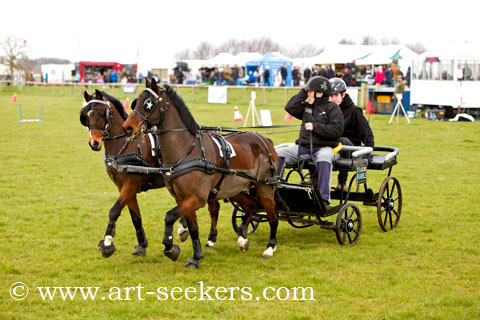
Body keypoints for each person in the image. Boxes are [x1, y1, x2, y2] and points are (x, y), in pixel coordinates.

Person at [276, 76, 344, 207]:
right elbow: (290, 107)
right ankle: (276, 193)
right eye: (307, 91)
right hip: (304, 147)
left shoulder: (333, 108)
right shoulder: (307, 107)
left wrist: (315, 127)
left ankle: (323, 199)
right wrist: (304, 91)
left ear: (319, 93)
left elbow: (337, 130)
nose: (308, 94)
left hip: (326, 147)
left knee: (324, 157)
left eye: (310, 91)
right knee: (279, 154)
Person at [328, 78, 374, 190]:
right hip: (332, 146)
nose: (334, 99)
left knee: (343, 141)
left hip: (350, 148)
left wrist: (367, 151)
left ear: (343, 95)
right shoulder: (327, 110)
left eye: (336, 95)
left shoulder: (354, 111)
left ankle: (342, 182)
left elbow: (367, 133)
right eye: (331, 96)